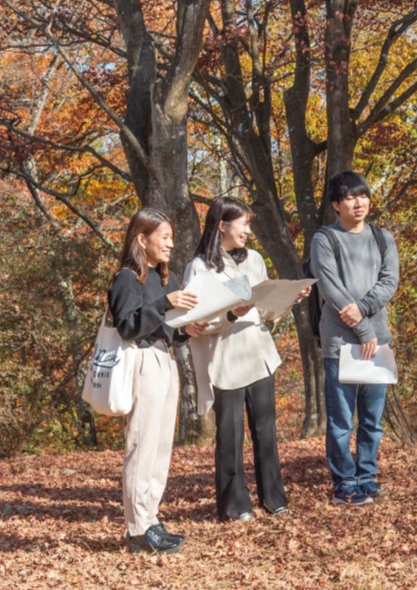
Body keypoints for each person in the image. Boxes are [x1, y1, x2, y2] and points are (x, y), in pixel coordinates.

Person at [184, 197, 311, 522]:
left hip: (259, 353)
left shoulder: (253, 259)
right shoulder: (199, 267)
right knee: (230, 435)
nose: (248, 231)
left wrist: (290, 297)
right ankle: (235, 506)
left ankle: (273, 498)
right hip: (225, 358)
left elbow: (266, 309)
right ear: (222, 225)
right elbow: (194, 321)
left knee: (266, 431)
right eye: (244, 224)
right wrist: (229, 312)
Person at [107, 209, 203, 554]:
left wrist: (186, 330)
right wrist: (165, 304)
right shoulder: (127, 279)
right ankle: (136, 530)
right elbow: (128, 326)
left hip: (166, 358)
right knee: (142, 444)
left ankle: (150, 518)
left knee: (161, 447)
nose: (171, 244)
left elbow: (168, 330)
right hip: (141, 362)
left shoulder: (168, 279)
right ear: (142, 239)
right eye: (164, 237)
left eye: (172, 238)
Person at [309, 171, 400, 506]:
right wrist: (361, 327)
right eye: (350, 197)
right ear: (336, 204)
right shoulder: (325, 239)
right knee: (341, 420)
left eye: (362, 195)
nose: (358, 202)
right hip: (341, 343)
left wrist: (362, 313)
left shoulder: (382, 238)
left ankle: (366, 475)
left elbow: (390, 281)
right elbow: (331, 288)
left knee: (373, 419)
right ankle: (344, 481)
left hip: (379, 342)